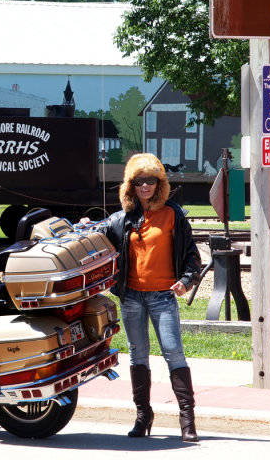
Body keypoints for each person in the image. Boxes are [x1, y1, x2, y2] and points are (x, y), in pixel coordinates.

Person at [100, 153, 202, 442]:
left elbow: (192, 258)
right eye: (139, 181)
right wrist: (86, 223)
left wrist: (185, 282)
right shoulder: (122, 219)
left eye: (151, 181)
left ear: (161, 184)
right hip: (131, 297)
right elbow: (98, 235)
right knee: (137, 355)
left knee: (174, 353)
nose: (145, 186)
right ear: (130, 185)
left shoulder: (174, 215)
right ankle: (143, 417)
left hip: (162, 297)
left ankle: (187, 421)